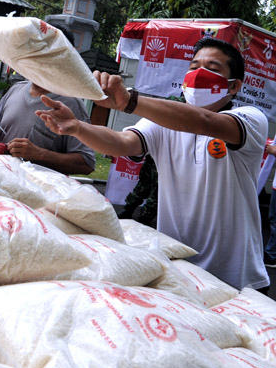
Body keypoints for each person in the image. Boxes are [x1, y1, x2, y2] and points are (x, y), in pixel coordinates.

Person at [36, 37, 269, 294]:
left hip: (236, 277)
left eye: (212, 68)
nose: (199, 74)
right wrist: (79, 128)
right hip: (179, 270)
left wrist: (128, 102)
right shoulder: (161, 123)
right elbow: (122, 142)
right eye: (193, 67)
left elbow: (204, 122)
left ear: (233, 86)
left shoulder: (249, 119)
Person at [0, 79, 95, 175]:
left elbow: (86, 164)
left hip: (38, 195)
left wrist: (40, 154)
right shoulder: (15, 89)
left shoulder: (72, 103)